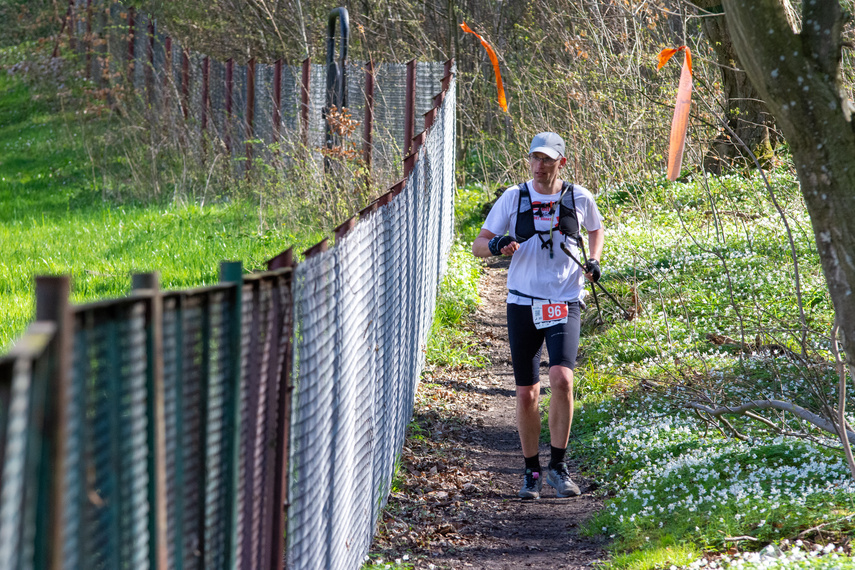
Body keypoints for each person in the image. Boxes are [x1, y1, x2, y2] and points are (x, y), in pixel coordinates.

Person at [472, 132, 604, 499]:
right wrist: (497, 245)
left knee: (562, 379)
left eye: (547, 159)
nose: (540, 165)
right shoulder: (514, 197)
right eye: (535, 158)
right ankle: (531, 471)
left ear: (561, 161)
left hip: (565, 300)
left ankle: (559, 468)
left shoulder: (579, 196)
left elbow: (596, 228)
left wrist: (593, 261)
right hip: (523, 302)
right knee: (528, 392)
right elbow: (478, 246)